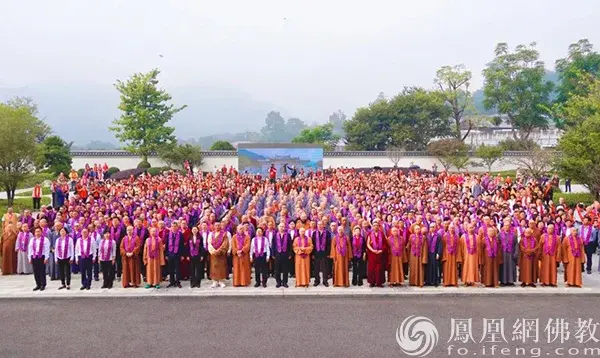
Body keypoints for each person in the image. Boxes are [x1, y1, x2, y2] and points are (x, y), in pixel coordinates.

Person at [208, 223, 230, 288]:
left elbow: (225, 243)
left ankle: (221, 281)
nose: (217, 226)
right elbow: (209, 243)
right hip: (214, 253)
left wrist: (219, 250)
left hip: (221, 254)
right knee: (214, 267)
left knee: (221, 267)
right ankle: (215, 281)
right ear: (214, 226)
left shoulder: (224, 234)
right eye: (216, 225)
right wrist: (213, 250)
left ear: (220, 226)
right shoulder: (211, 234)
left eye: (218, 225)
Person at [498, 220, 518, 286]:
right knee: (503, 267)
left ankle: (510, 281)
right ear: (503, 226)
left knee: (511, 267)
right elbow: (498, 244)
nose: (506, 227)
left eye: (508, 226)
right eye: (505, 226)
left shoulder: (514, 235)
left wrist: (516, 253)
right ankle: (503, 281)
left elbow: (516, 245)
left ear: (510, 227)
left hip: (511, 253)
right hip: (503, 253)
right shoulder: (500, 234)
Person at [312, 220, 331, 287]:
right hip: (317, 253)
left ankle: (325, 281)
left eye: (321, 224)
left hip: (324, 253)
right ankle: (317, 280)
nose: (320, 226)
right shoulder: (314, 233)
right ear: (317, 225)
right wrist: (313, 254)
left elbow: (329, 244)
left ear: (323, 225)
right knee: (316, 268)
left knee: (325, 268)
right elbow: (313, 244)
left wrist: (328, 253)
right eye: (319, 224)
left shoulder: (327, 233)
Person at [271, 223, 291, 288]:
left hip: (285, 254)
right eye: (280, 226)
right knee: (277, 269)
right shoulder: (275, 235)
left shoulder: (288, 235)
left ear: (285, 227)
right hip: (277, 254)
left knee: (285, 269)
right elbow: (273, 245)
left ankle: (285, 282)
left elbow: (290, 245)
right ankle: (278, 282)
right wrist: (273, 254)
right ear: (278, 227)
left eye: (283, 226)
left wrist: (290, 254)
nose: (282, 227)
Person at [166, 222, 184, 288]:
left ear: (177, 227)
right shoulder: (168, 234)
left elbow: (182, 245)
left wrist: (182, 255)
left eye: (175, 226)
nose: (174, 227)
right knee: (171, 269)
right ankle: (172, 282)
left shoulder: (180, 234)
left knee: (178, 269)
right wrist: (166, 254)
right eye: (172, 226)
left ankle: (178, 282)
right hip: (170, 254)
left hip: (177, 254)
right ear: (171, 227)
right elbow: (166, 245)